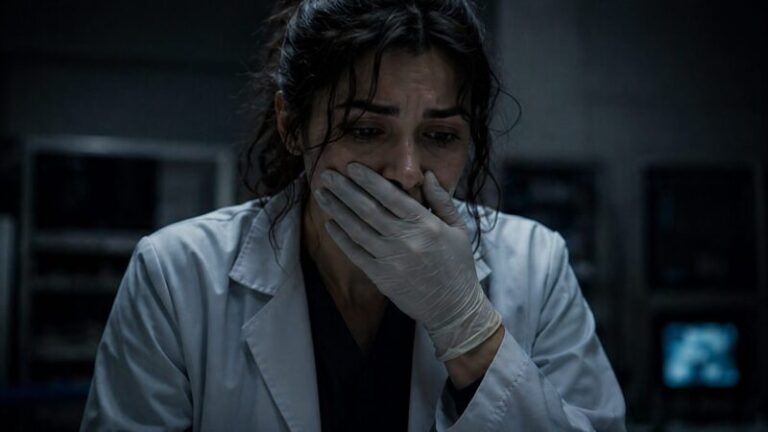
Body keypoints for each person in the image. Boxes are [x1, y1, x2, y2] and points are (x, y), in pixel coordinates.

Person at [81, 0, 627, 430]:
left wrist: (466, 325)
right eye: (366, 130)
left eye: (440, 136)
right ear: (291, 125)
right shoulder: (176, 277)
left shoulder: (537, 266)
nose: (406, 172)